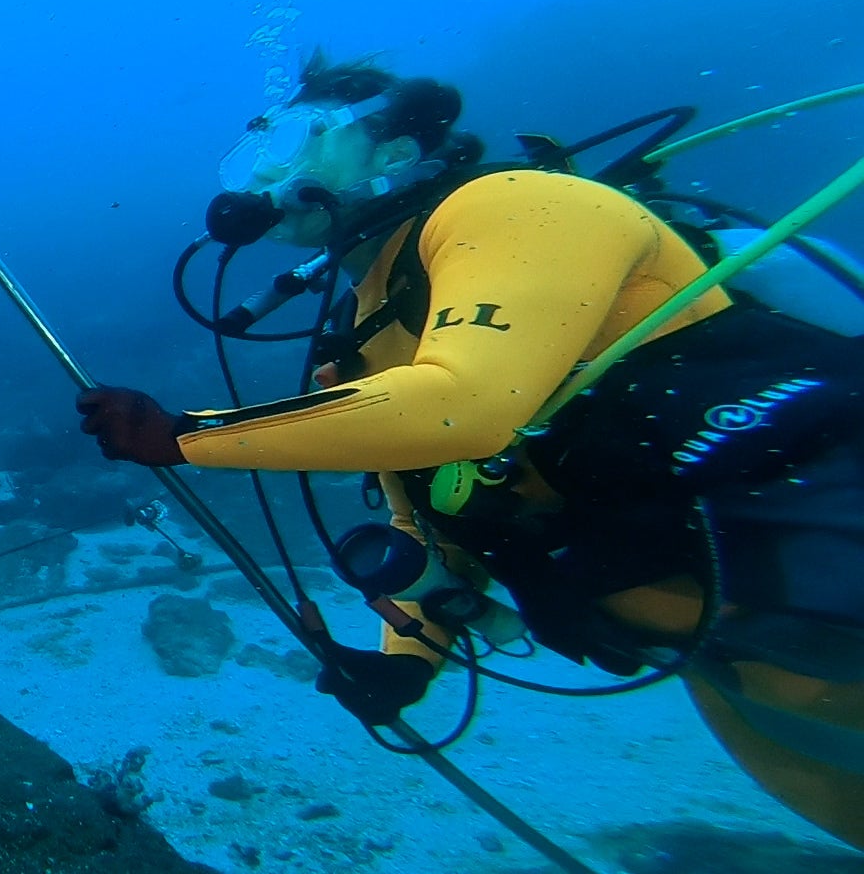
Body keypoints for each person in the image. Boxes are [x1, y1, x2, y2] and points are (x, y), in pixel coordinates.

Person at [75, 54, 864, 849]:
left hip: (822, 564)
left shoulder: (517, 205)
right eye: (255, 155)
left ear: (393, 155)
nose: (268, 174)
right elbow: (434, 514)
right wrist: (410, 659)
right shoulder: (372, 325)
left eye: (302, 142)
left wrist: (187, 437)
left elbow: (464, 411)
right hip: (716, 646)